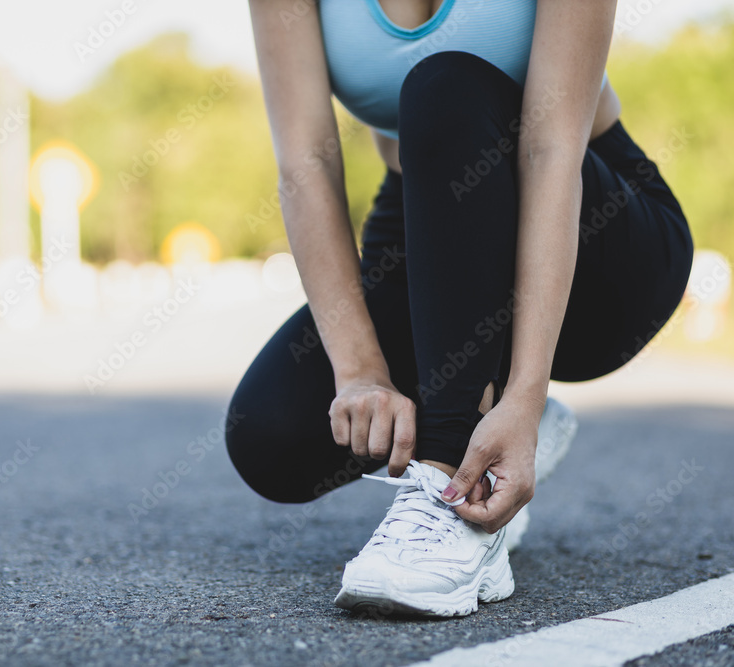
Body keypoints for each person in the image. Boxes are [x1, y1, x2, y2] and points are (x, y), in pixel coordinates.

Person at [225, 0, 694, 618]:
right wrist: (360, 370)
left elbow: (551, 152)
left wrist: (524, 395)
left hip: (599, 237)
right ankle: (482, 411)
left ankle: (457, 493)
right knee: (273, 433)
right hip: (434, 227)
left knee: (446, 80)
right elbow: (306, 164)